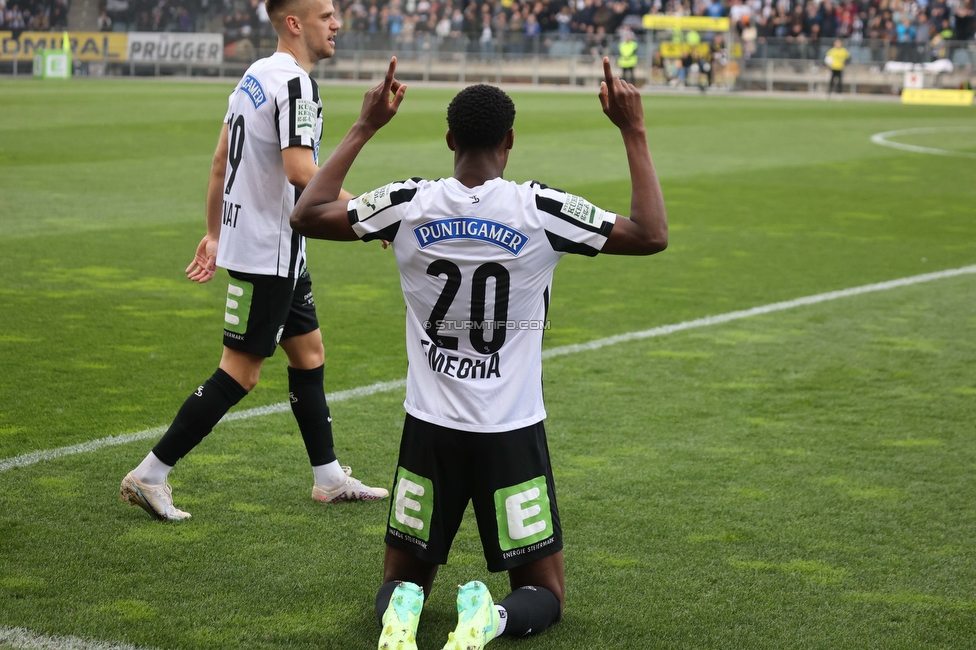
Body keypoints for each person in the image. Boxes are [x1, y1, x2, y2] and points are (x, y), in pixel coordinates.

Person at [290, 56, 668, 650]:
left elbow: (307, 214)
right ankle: (491, 620)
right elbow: (651, 234)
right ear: (509, 142)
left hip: (430, 428)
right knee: (545, 593)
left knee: (401, 578)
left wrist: (365, 126)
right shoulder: (539, 210)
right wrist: (633, 129)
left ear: (448, 140)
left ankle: (402, 619)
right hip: (510, 430)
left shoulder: (408, 201)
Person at [119, 0, 388, 522]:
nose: (337, 24)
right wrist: (366, 212)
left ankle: (328, 478)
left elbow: (222, 159)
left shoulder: (255, 76)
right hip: (271, 251)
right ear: (295, 23)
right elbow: (300, 170)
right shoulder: (295, 84)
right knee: (239, 373)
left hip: (268, 246)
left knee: (309, 354)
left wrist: (216, 233)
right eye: (326, 15)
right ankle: (151, 473)